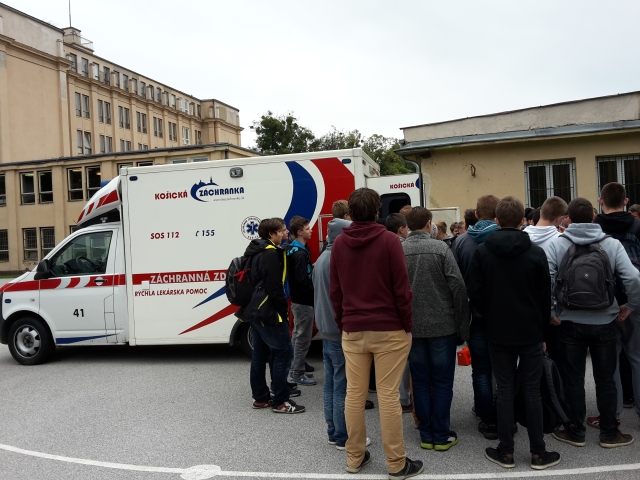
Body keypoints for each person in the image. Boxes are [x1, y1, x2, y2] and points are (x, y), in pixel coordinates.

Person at [330, 188, 423, 479]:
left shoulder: (340, 243)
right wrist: (407, 325)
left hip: (353, 328)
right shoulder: (389, 241)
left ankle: (354, 456)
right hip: (389, 328)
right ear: (376, 211)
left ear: (351, 213)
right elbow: (402, 289)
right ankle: (396, 463)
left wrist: (343, 323)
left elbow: (336, 291)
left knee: (354, 395)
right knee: (388, 396)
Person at [467, 196, 561, 470]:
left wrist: (491, 315)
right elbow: (545, 297)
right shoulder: (535, 253)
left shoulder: (482, 253)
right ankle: (538, 452)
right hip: (530, 331)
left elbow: (475, 293)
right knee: (532, 389)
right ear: (522, 220)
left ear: (497, 220)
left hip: (498, 330)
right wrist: (543, 333)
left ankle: (506, 450)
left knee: (505, 388)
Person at [548, 197, 638, 448]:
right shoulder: (611, 244)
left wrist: (551, 311)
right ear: (593, 216)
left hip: (569, 321)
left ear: (568, 218)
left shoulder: (557, 244)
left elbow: (546, 280)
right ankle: (609, 433)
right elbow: (633, 278)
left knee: (573, 379)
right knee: (606, 379)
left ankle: (575, 432)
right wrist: (630, 306)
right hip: (606, 320)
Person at [403, 207, 469, 452]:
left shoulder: (399, 251)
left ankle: (426, 434)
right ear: (429, 224)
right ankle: (440, 435)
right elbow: (458, 287)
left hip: (413, 327)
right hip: (443, 326)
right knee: (442, 382)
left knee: (420, 381)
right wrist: (462, 325)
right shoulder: (441, 249)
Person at [238, 218, 305, 414]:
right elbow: (274, 287)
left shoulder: (254, 250)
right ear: (271, 234)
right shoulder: (270, 254)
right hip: (268, 312)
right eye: (282, 230)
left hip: (254, 310)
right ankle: (281, 402)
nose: (286, 233)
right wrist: (282, 311)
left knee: (259, 355)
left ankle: (260, 398)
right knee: (284, 352)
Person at [591, 183, 640, 427]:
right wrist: (632, 303)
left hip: (605, 302)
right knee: (637, 358)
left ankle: (613, 414)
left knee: (610, 362)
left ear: (601, 201)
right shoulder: (638, 226)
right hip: (635, 301)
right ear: (626, 201)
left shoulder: (595, 229)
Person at [452, 195, 500, 440]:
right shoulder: (506, 238)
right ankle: (504, 413)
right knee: (503, 368)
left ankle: (485, 415)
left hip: (475, 313)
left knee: (481, 369)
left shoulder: (461, 242)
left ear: (477, 215)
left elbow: (455, 280)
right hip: (503, 314)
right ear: (497, 215)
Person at [524, 196, 568, 381]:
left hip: (526, 310)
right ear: (559, 218)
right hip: (555, 312)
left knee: (530, 366)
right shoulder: (561, 240)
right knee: (558, 362)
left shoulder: (522, 237)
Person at [287, 216, 316, 386]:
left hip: (297, 300)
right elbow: (301, 281)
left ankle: (294, 368)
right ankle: (297, 372)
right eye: (307, 228)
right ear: (299, 232)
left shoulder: (293, 249)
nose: (311, 230)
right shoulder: (299, 253)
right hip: (303, 301)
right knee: (303, 338)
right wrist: (313, 292)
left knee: (298, 335)